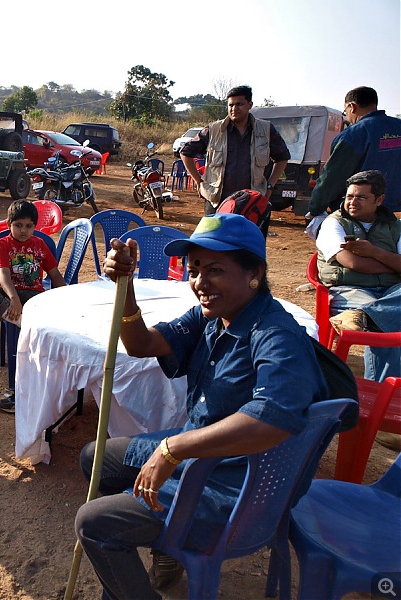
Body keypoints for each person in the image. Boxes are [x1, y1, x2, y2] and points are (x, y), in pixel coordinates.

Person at [74, 213, 328, 599]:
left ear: (254, 273)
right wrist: (125, 287)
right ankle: (164, 550)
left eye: (215, 270)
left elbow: (272, 419)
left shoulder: (276, 335)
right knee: (95, 458)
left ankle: (149, 564)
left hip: (233, 483)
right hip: (198, 457)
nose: (199, 283)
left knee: (94, 523)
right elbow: (140, 345)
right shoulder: (212, 316)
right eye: (194, 269)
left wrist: (172, 450)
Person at [0, 200, 66, 413]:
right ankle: (24, 322)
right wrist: (13, 299)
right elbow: (3, 275)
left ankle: (24, 321)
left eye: (29, 226)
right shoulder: (2, 245)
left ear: (35, 226)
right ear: (9, 225)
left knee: (58, 304)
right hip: (9, 296)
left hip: (35, 297)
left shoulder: (40, 245)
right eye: (18, 225)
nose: (23, 230)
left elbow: (55, 275)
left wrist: (66, 297)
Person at [315, 170, 400, 381]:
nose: (353, 202)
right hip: (350, 289)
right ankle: (381, 392)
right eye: (349, 196)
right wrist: (393, 264)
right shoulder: (333, 224)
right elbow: (353, 263)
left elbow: (366, 259)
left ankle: (368, 315)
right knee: (387, 324)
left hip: (391, 291)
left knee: (384, 317)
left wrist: (374, 252)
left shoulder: (395, 227)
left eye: (361, 197)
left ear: (379, 200)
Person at [181, 85, 290, 215]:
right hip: (217, 202)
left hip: (251, 203)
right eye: (231, 105)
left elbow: (282, 157)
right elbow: (186, 153)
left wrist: (270, 186)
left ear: (250, 105)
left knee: (249, 236)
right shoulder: (214, 130)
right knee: (215, 236)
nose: (234, 109)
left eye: (239, 104)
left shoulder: (265, 130)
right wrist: (199, 182)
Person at [308, 86, 401, 222]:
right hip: (395, 214)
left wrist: (315, 208)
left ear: (352, 107)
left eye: (345, 111)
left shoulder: (353, 135)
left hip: (360, 214)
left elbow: (333, 177)